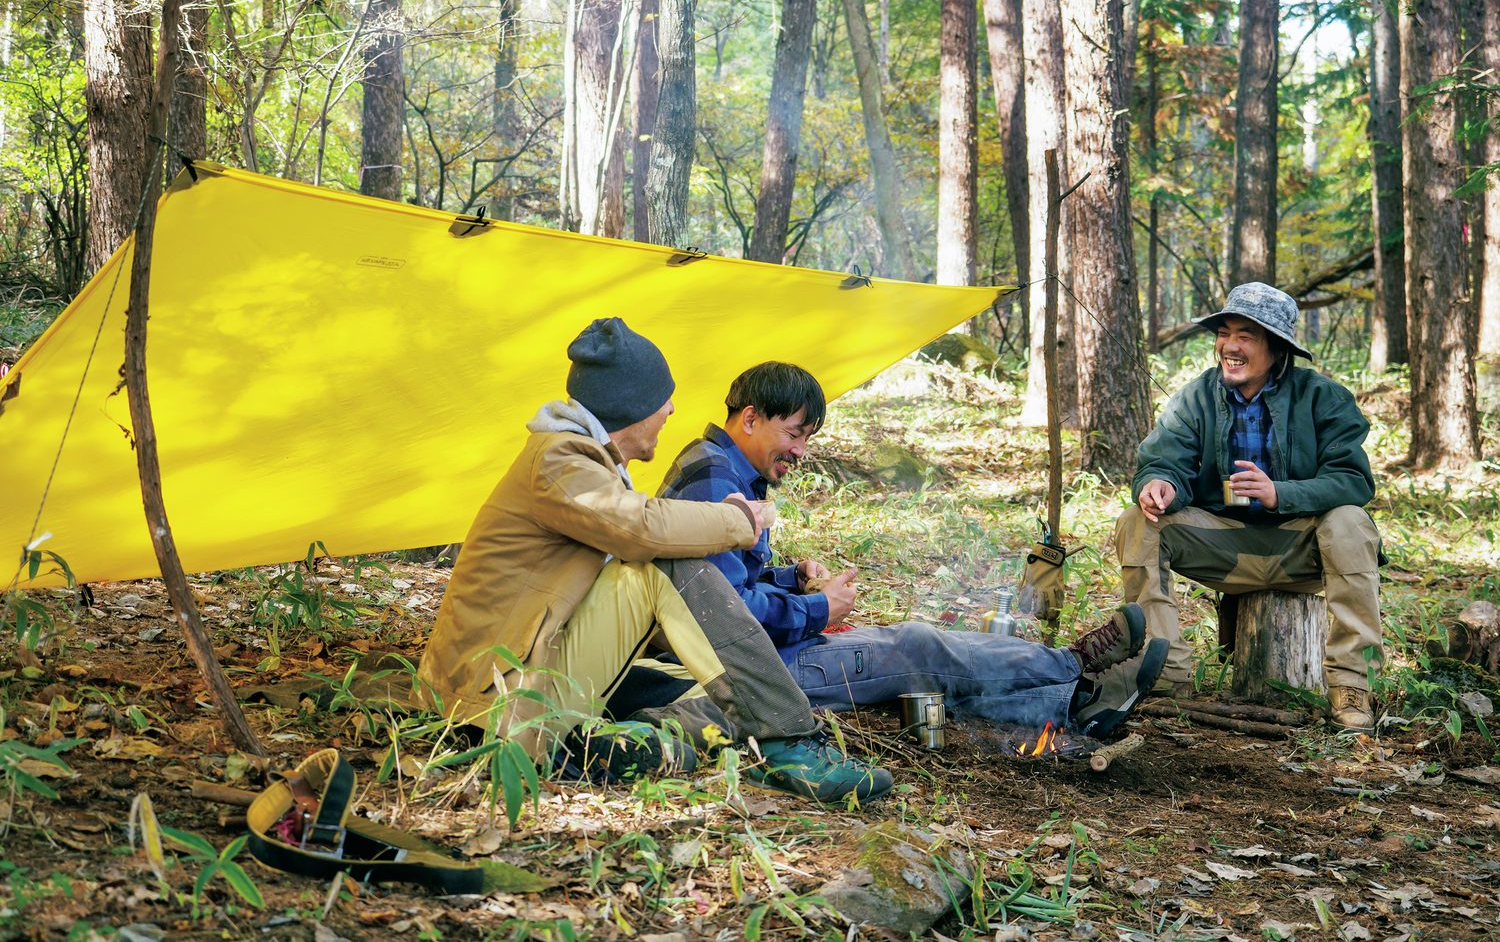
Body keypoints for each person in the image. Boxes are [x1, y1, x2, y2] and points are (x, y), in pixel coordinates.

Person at [417, 318, 893, 804]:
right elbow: (641, 529)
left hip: (532, 671)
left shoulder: (583, 461)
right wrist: (736, 519)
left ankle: (624, 743)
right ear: (633, 406)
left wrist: (786, 577)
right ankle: (786, 743)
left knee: (712, 694)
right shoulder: (558, 461)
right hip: (498, 702)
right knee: (667, 562)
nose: (670, 409)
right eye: (662, 400)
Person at [656, 361, 1169, 740]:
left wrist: (790, 579)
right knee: (915, 649)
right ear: (750, 418)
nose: (800, 451)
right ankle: (1073, 667)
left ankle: (1078, 700)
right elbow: (725, 616)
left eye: (807, 437)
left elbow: (723, 586)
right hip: (750, 673)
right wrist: (819, 609)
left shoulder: (721, 467)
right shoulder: (714, 480)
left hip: (756, 655)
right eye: (793, 433)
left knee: (920, 654)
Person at [1113, 282, 1383, 732]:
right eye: (1225, 333)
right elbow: (1164, 460)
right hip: (1225, 547)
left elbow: (1353, 480)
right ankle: (1163, 673)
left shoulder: (1323, 398)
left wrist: (1282, 493)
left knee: (1350, 522)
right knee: (1137, 521)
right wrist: (1159, 484)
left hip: (1303, 549)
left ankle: (1352, 685)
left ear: (1276, 349)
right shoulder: (1196, 397)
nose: (1229, 347)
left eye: (1246, 336)